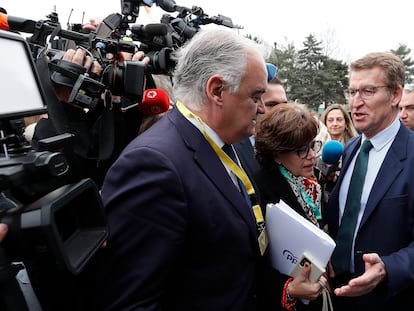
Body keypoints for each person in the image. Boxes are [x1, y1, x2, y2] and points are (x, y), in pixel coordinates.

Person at [95, 29, 304, 310]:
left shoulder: (229, 145)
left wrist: (284, 289)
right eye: (256, 96)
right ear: (217, 90)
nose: (263, 110)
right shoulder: (154, 165)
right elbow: (131, 302)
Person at [327, 52, 414, 310]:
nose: (355, 103)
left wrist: (387, 269)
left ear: (395, 95)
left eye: (367, 91)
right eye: (352, 92)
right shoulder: (351, 148)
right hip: (338, 293)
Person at [253, 103, 328, 310]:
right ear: (275, 153)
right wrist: (288, 289)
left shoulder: (309, 181)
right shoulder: (260, 190)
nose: (312, 155)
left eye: (312, 145)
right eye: (301, 150)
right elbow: (254, 264)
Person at [234, 75, 288, 182]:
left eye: (284, 104)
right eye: (272, 105)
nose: (282, 111)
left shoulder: (297, 146)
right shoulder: (233, 148)